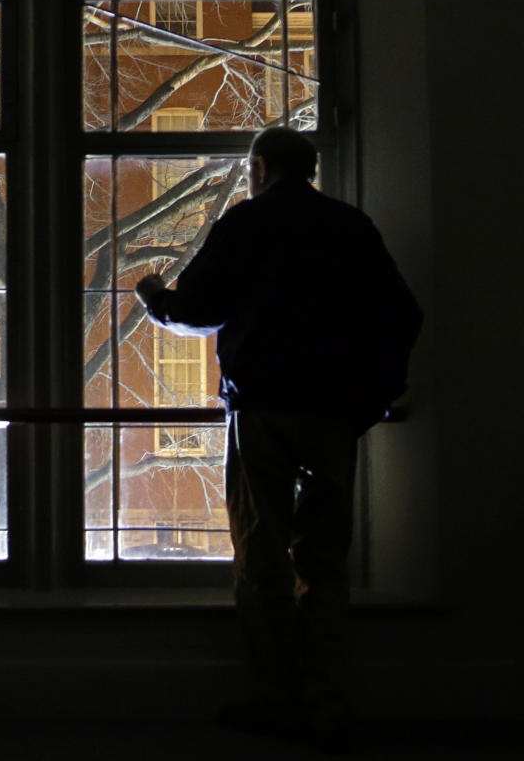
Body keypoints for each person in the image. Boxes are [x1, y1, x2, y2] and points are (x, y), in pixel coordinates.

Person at [135, 127, 422, 750]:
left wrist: (155, 297)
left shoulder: (248, 225)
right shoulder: (350, 227)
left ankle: (277, 699)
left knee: (261, 555)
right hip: (332, 414)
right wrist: (371, 399)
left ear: (259, 168)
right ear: (310, 168)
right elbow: (402, 314)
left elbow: (198, 309)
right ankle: (327, 702)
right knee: (324, 558)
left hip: (263, 409)